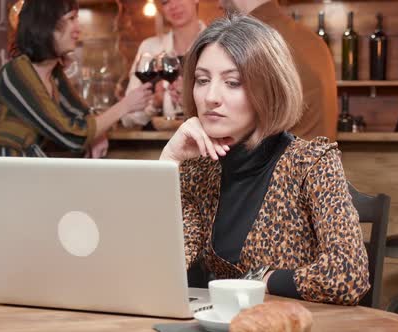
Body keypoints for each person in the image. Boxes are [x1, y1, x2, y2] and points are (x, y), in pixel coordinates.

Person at [160, 16, 369, 305]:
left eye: (232, 82)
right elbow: (158, 265)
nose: (210, 97)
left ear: (268, 90)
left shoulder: (310, 163)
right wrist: (168, 161)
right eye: (202, 80)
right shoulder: (199, 168)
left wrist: (260, 279)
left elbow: (349, 275)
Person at [0, 0, 152, 158]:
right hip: (3, 175)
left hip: (27, 173)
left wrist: (99, 134)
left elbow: (83, 114)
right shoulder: (16, 72)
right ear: (46, 25)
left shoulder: (52, 72)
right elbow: (70, 136)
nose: (78, 29)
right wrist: (125, 106)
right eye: (71, 18)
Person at [218, 0, 338, 141]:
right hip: (314, 159)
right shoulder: (312, 40)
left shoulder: (252, 41)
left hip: (283, 161)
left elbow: (235, 134)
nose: (219, 4)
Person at [121, 0, 205, 129]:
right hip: (157, 146)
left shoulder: (215, 45)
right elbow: (127, 118)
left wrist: (190, 101)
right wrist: (155, 104)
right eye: (165, 2)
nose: (174, 6)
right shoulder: (149, 48)